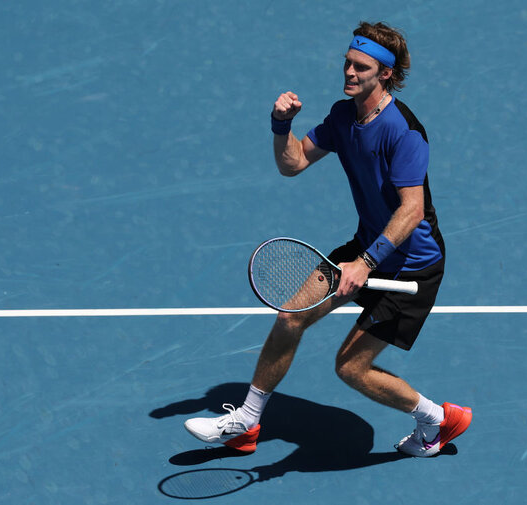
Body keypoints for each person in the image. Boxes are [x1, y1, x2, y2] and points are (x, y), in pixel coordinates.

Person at [184, 21, 471, 457]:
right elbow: (294, 163)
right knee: (290, 317)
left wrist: (367, 263)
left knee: (351, 367)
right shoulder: (343, 116)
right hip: (368, 247)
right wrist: (281, 125)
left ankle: (437, 419)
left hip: (411, 266)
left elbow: (411, 210)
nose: (349, 72)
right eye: (348, 63)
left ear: (386, 74)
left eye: (361, 67)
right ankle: (246, 422)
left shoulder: (403, 131)